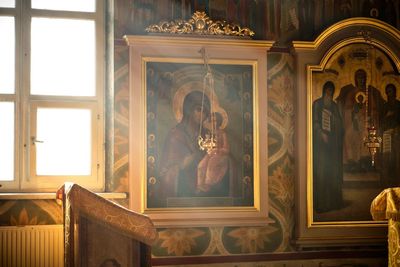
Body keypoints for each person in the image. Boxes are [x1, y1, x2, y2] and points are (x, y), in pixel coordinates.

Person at [158, 91, 231, 206]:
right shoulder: (176, 135)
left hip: (207, 188)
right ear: (188, 110)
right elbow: (170, 170)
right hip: (184, 189)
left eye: (206, 111)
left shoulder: (207, 133)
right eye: (199, 109)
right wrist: (193, 157)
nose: (204, 114)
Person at [336, 69, 384, 172]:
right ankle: (352, 162)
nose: (361, 80)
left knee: (366, 135)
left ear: (365, 79)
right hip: (353, 123)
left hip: (366, 123)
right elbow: (346, 110)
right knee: (348, 135)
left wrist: (370, 117)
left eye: (362, 78)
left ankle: (364, 161)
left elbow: (374, 110)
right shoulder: (351, 93)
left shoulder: (369, 93)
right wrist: (354, 111)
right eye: (359, 78)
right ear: (356, 79)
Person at [313, 81, 344, 213]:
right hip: (320, 145)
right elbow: (313, 122)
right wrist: (320, 133)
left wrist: (334, 119)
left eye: (331, 91)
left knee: (332, 172)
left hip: (332, 144)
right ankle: (321, 204)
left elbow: (340, 124)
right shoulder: (317, 104)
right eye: (327, 91)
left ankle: (333, 203)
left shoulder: (334, 106)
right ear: (324, 91)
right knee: (321, 172)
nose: (329, 93)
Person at [197, 111, 230, 193]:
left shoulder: (223, 133)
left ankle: (208, 185)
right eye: (211, 121)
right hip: (210, 154)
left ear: (219, 121)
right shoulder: (209, 133)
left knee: (211, 164)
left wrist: (217, 150)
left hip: (220, 155)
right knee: (201, 165)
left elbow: (226, 149)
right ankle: (200, 185)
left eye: (215, 120)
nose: (213, 123)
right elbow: (205, 144)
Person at [380, 83, 400, 186]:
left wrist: (397, 129)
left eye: (390, 91)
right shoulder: (384, 106)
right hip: (386, 135)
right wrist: (386, 116)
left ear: (395, 92)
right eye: (387, 92)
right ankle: (385, 183)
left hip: (397, 135)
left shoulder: (398, 105)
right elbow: (381, 122)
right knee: (386, 158)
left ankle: (397, 183)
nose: (389, 94)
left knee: (397, 159)